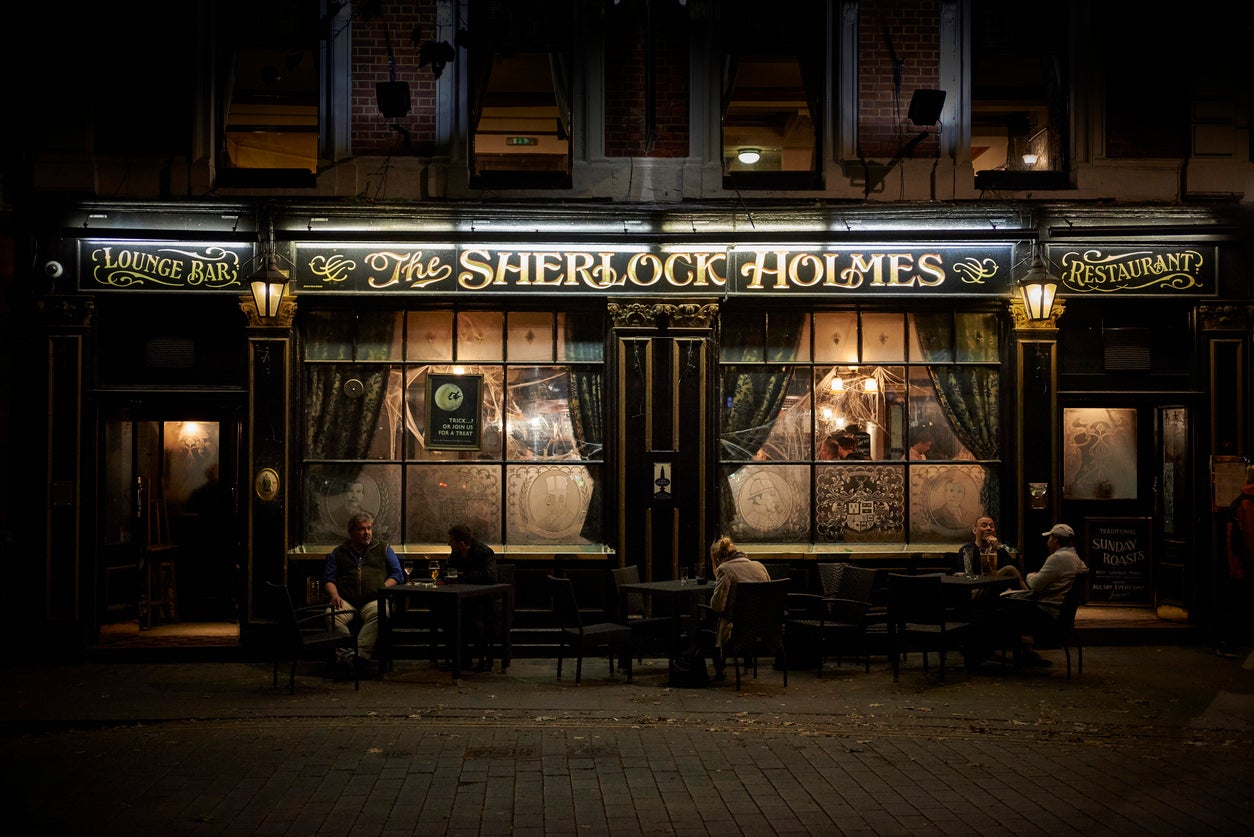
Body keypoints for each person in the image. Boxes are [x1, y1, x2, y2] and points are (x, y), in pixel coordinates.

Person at [323, 512, 405, 672]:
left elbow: (397, 574)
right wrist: (334, 595)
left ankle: (357, 656)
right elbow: (329, 579)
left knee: (381, 614)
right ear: (351, 532)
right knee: (331, 615)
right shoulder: (339, 552)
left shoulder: (384, 548)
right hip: (346, 600)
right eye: (361, 529)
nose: (367, 533)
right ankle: (346, 655)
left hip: (373, 599)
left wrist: (382, 588)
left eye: (369, 528)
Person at [998, 522, 1089, 666]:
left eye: (1050, 538)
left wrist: (1030, 575)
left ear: (1055, 539)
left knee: (1000, 613)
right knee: (1011, 608)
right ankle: (1025, 652)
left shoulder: (1059, 558)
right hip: (1059, 614)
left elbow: (1034, 584)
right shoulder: (1076, 558)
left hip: (1047, 614)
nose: (1048, 542)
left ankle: (979, 653)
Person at [702, 536, 770, 682]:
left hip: (735, 627)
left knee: (711, 623)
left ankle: (719, 670)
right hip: (762, 625)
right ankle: (748, 661)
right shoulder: (759, 566)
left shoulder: (724, 570)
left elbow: (717, 606)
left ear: (718, 558)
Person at [447, 523, 500, 672]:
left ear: (461, 544)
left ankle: (481, 659)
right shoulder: (456, 553)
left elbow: (490, 576)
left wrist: (462, 576)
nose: (449, 544)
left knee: (474, 619)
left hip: (486, 602)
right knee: (448, 616)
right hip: (463, 601)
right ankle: (462, 660)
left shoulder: (484, 552)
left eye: (451, 541)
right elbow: (448, 568)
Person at [1217, 465, 1254, 657]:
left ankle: (1230, 643)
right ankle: (1231, 643)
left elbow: (1235, 538)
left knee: (1237, 603)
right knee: (1240, 604)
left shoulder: (1239, 502)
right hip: (1245, 563)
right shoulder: (1245, 504)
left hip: (1240, 562)